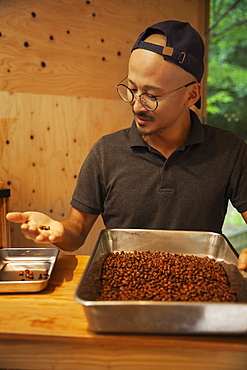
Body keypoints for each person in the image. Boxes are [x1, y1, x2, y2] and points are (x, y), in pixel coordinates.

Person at [6, 20, 247, 270]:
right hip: (124, 289)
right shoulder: (106, 152)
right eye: (131, 89)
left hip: (201, 291)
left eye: (152, 96)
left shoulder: (230, 150)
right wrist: (59, 232)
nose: (137, 105)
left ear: (191, 95)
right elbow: (76, 230)